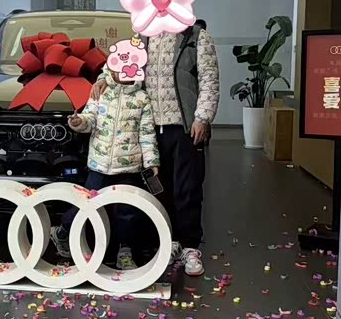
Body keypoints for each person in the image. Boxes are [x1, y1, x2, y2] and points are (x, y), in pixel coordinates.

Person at [91, 23, 219, 276]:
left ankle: (190, 246)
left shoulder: (196, 37)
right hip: (147, 128)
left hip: (184, 127)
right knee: (158, 189)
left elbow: (209, 80)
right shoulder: (142, 37)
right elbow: (119, 62)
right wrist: (102, 79)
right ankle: (168, 241)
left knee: (187, 188)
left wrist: (202, 117)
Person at [50, 62, 159, 271]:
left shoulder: (142, 98)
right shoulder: (100, 91)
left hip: (128, 168)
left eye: (130, 68)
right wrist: (78, 122)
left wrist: (151, 161)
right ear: (111, 68)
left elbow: (146, 134)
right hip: (99, 165)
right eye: (119, 67)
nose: (124, 72)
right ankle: (62, 231)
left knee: (127, 212)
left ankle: (125, 253)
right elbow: (89, 118)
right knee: (84, 203)